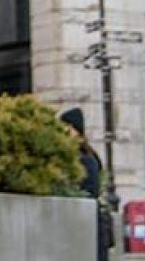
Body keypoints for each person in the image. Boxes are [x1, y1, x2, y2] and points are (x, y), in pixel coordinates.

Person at [61, 107, 110, 261]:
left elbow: (90, 191)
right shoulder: (85, 155)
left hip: (89, 224)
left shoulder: (86, 159)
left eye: (67, 127)